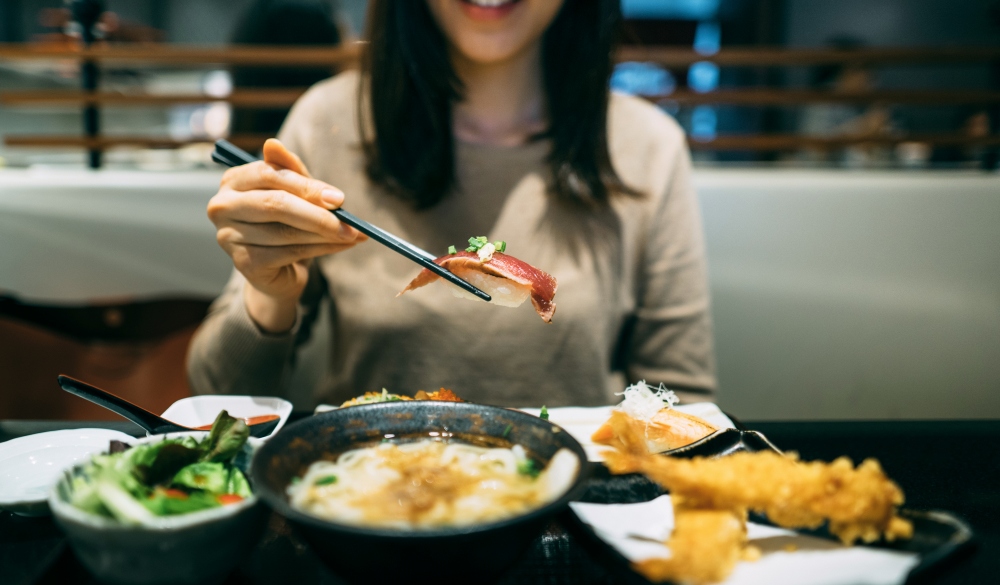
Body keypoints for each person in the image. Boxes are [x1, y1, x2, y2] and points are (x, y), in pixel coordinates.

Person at [187, 0, 716, 408]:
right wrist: (267, 295)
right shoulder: (328, 123)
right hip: (373, 504)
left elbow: (681, 402)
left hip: (574, 511)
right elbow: (217, 392)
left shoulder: (645, 145)